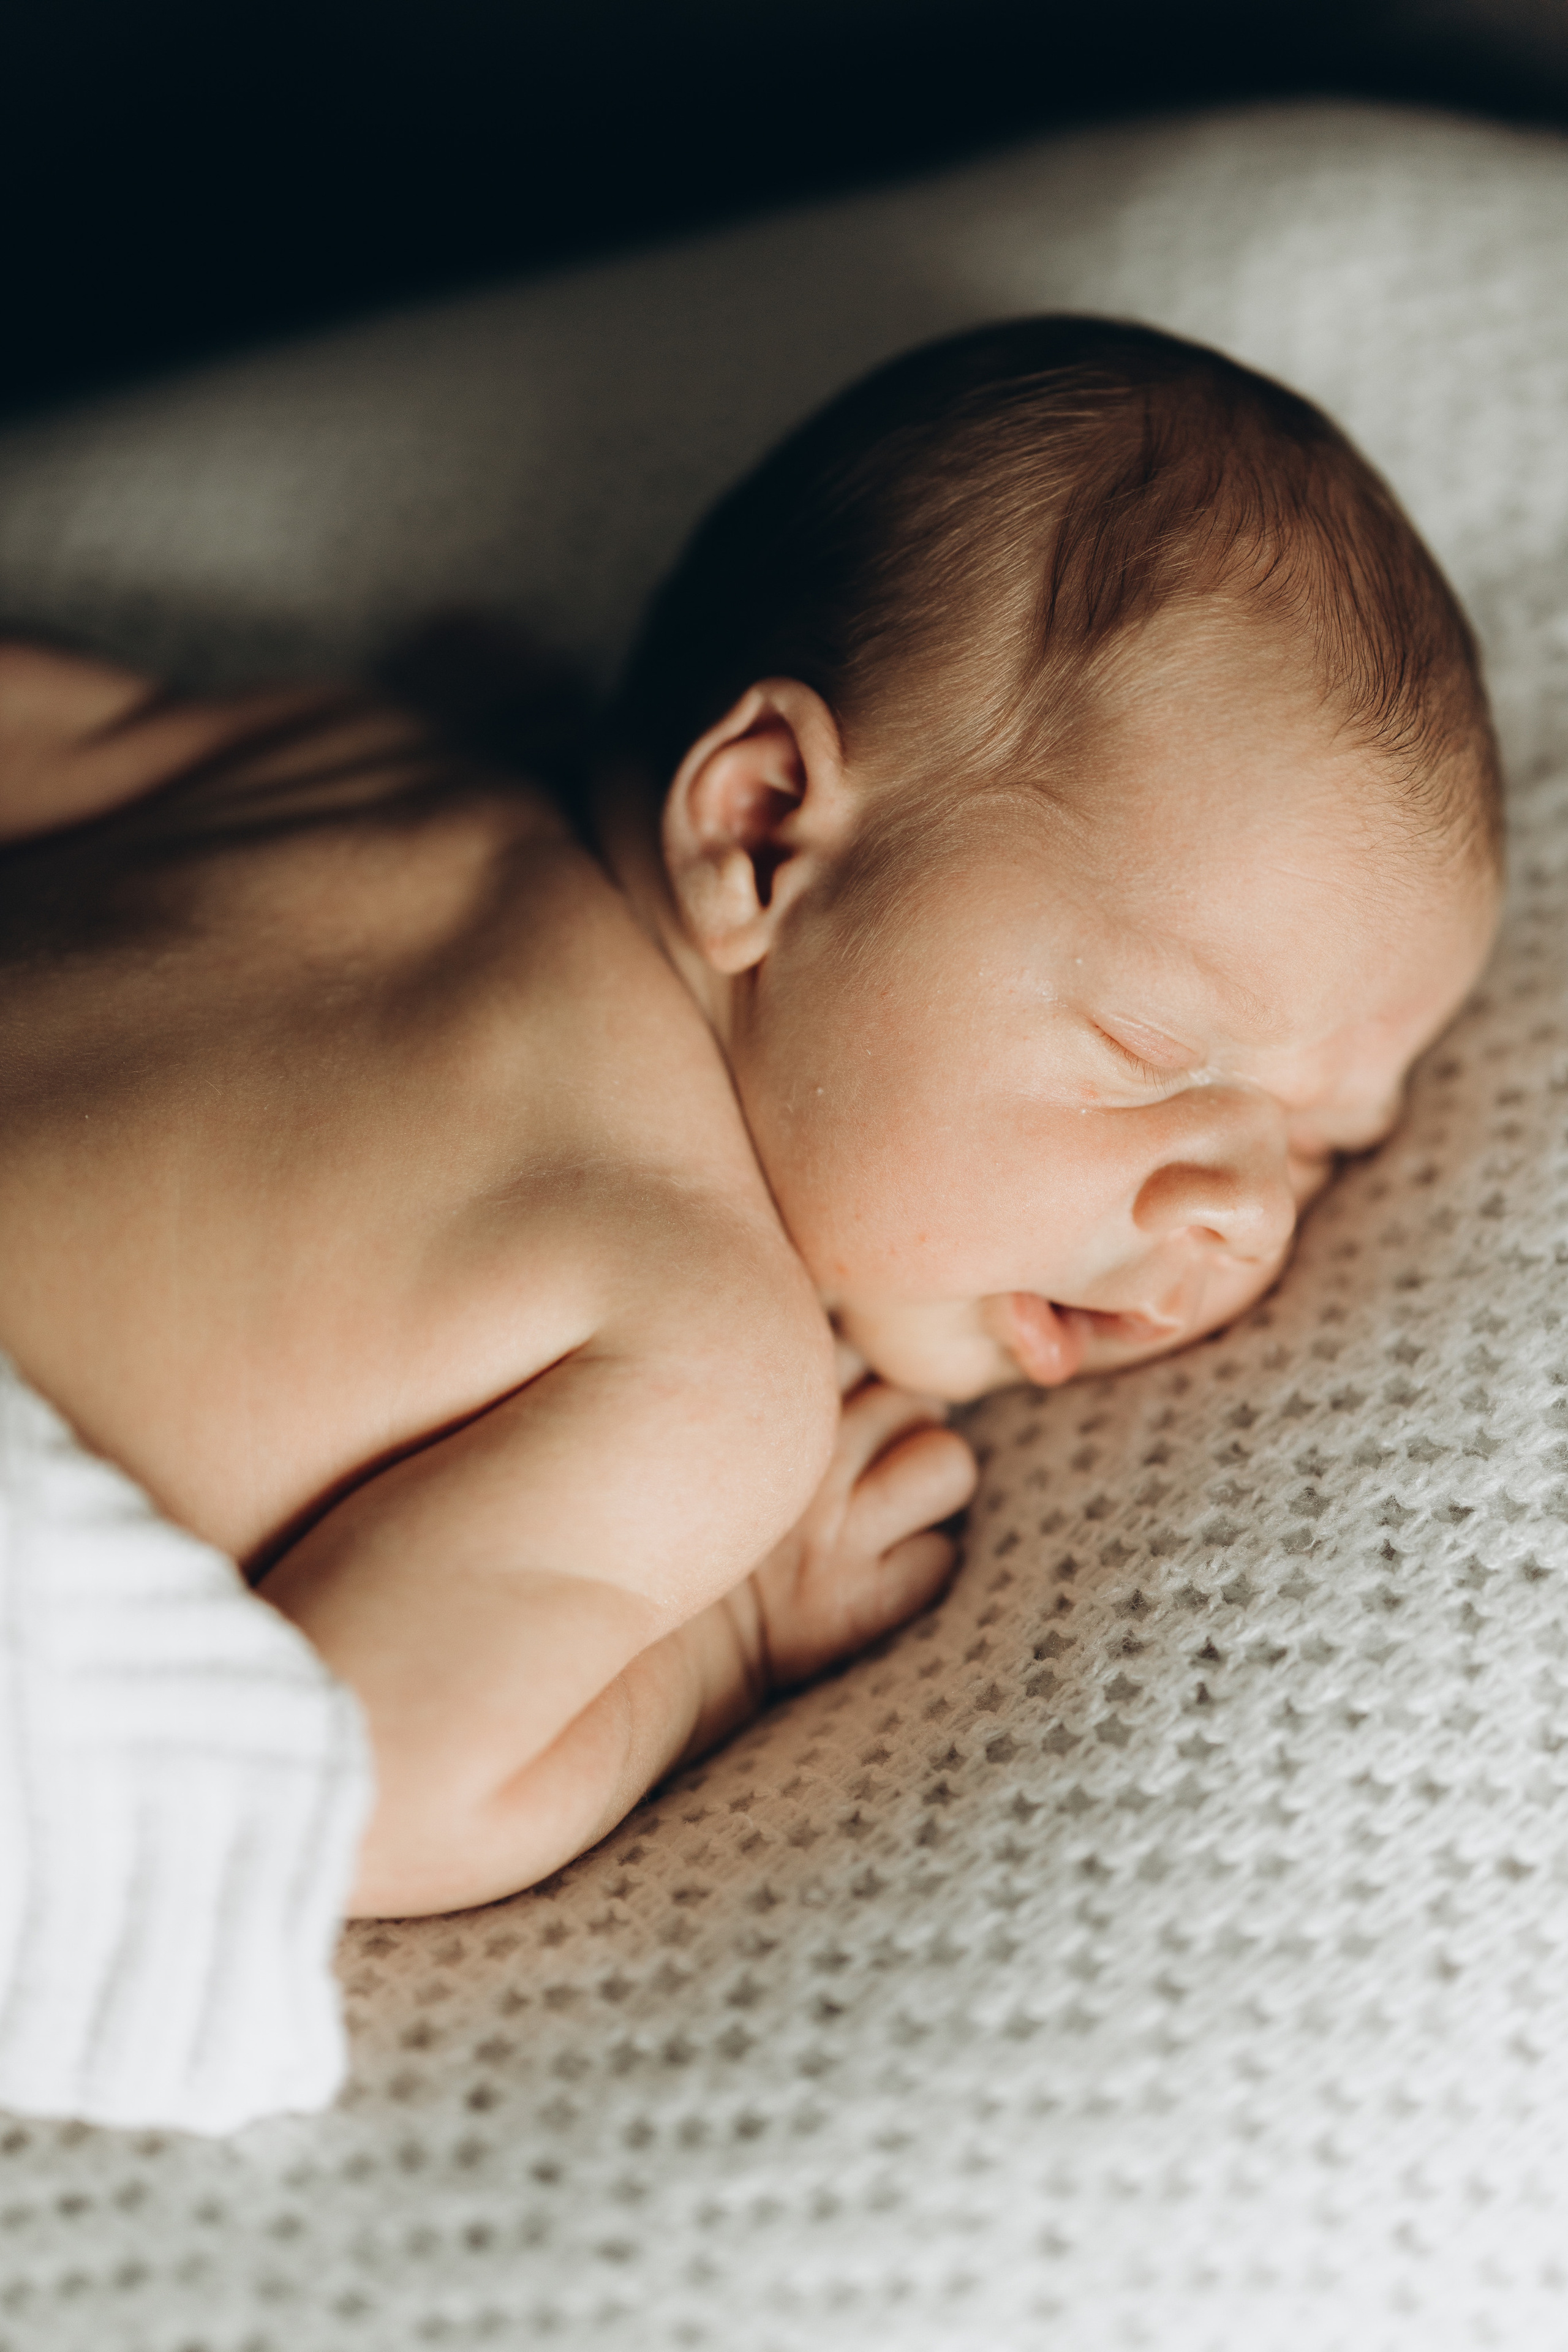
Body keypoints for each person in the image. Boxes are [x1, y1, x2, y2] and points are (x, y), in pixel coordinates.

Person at [0, 318, 1502, 1920]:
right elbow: (361, 1801)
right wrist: (724, 1638)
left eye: (1325, 1143)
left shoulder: (348, 766)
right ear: (764, 824)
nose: (1249, 1213)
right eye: (1154, 1051)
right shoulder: (709, 1365)